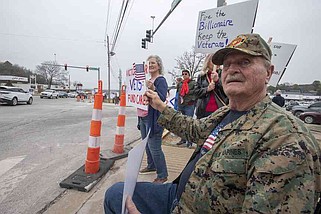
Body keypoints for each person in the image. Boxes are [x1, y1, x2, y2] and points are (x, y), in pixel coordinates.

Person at [104, 33, 321, 213]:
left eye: (245, 62)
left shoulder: (286, 138)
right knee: (115, 195)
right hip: (180, 195)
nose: (232, 69)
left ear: (269, 73)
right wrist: (160, 105)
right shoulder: (227, 112)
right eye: (227, 65)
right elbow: (194, 129)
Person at [137, 55, 169, 184]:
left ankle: (162, 174)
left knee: (155, 147)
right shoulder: (146, 80)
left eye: (153, 63)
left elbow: (161, 98)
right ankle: (151, 165)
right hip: (143, 117)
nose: (150, 65)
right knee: (146, 145)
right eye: (148, 63)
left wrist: (153, 88)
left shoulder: (160, 80)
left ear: (159, 65)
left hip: (154, 119)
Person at [195, 53, 228, 119]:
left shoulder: (224, 74)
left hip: (220, 110)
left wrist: (218, 81)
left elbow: (227, 91)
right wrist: (207, 89)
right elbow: (196, 92)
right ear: (208, 62)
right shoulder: (202, 76)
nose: (217, 64)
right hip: (204, 110)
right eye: (214, 61)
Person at [175, 69, 196, 148]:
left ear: (189, 75)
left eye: (186, 74)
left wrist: (192, 100)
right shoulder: (180, 84)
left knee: (189, 123)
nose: (184, 75)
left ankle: (189, 141)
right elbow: (178, 94)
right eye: (183, 74)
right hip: (181, 105)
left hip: (189, 105)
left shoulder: (193, 83)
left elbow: (196, 93)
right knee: (182, 123)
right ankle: (183, 139)